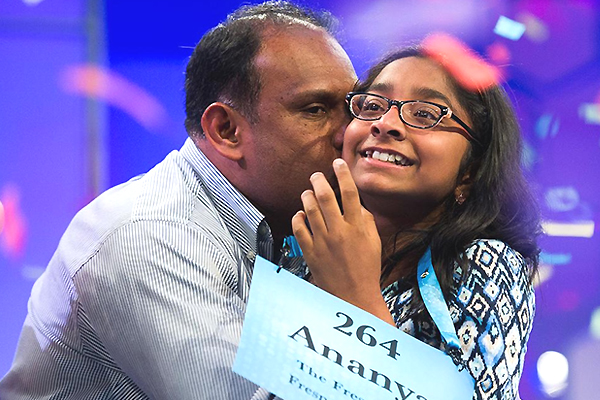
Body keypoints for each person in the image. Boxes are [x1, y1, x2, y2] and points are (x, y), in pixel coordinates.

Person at [0, 2, 356, 399]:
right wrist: (350, 300)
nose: (351, 134)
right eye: (316, 109)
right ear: (226, 131)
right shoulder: (150, 235)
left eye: (353, 108)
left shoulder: (287, 216)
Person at [292, 47, 541, 400]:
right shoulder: (300, 246)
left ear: (470, 171)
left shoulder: (488, 264)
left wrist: (356, 297)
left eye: (425, 114)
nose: (385, 124)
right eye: (372, 106)